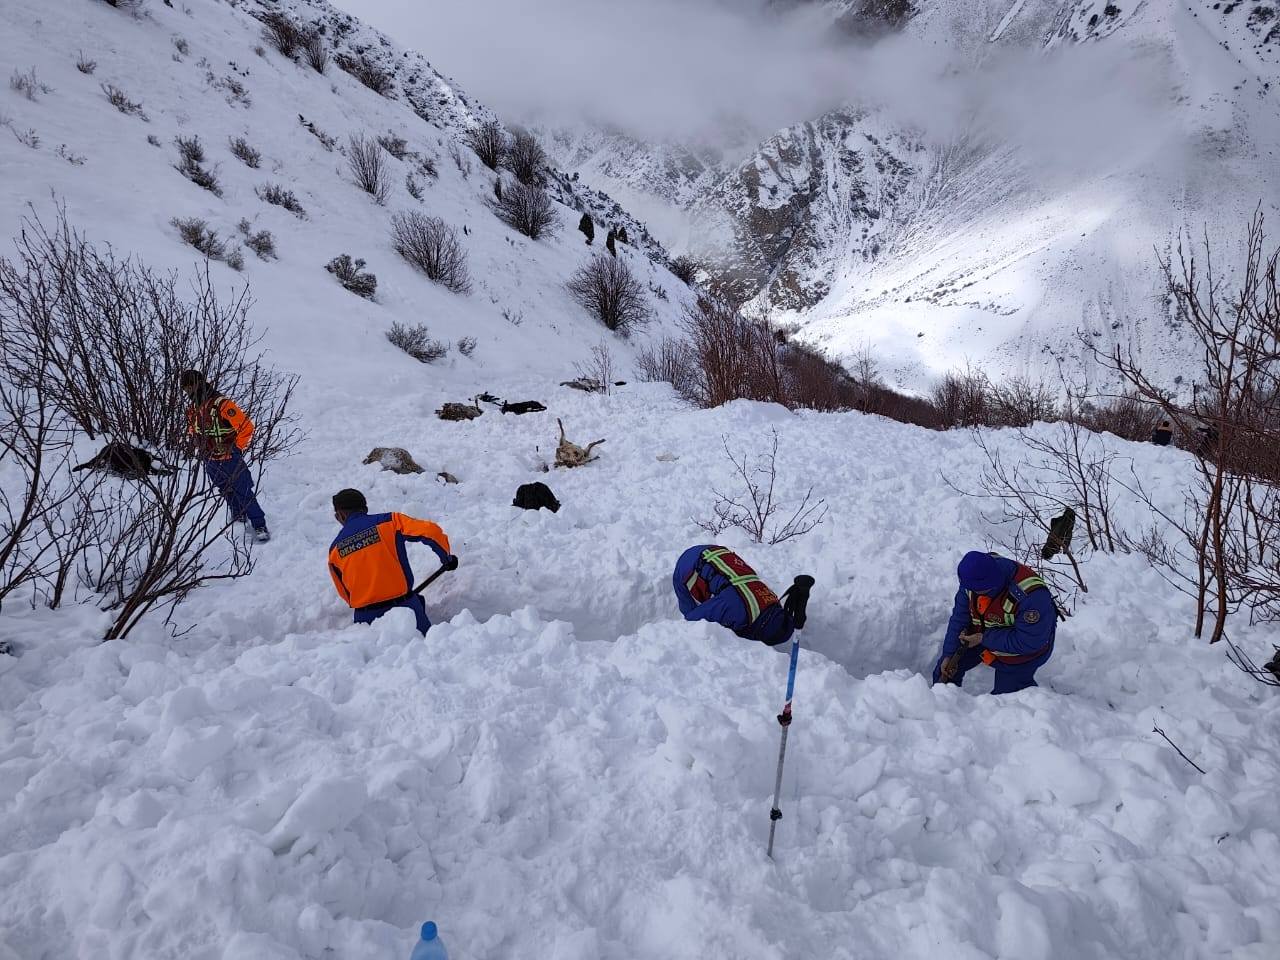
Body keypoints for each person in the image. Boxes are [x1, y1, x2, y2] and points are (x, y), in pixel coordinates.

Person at [328, 488, 456, 635]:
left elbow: (345, 592)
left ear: (341, 515)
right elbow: (431, 532)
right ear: (365, 509)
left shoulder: (334, 550)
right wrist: (447, 559)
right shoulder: (390, 522)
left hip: (366, 622)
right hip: (406, 611)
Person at [932, 551, 1057, 694]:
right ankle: (941, 708)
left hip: (1021, 653)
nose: (971, 592)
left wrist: (983, 638)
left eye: (979, 591)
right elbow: (959, 619)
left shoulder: (1031, 596)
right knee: (945, 671)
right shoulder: (972, 580)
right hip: (983, 635)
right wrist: (949, 654)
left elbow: (1030, 641)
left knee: (1007, 702)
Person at [180, 369, 270, 542]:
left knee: (243, 491)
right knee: (224, 489)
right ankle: (238, 514)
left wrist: (234, 447)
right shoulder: (192, 409)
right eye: (185, 389)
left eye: (190, 387)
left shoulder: (222, 404)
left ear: (199, 383)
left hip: (231, 459)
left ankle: (259, 525)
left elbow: (247, 427)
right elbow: (193, 431)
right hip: (209, 459)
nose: (188, 392)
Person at [672, 545, 803, 646]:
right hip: (688, 564)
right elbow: (691, 623)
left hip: (720, 553)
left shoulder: (772, 601)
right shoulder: (736, 608)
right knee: (693, 617)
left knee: (725, 587)